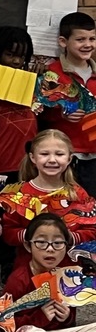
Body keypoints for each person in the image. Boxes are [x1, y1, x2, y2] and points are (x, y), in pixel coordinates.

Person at [10, 214, 96, 332]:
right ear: (28, 246)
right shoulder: (19, 279)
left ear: (66, 246)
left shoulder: (68, 275)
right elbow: (7, 325)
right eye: (41, 242)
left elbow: (69, 325)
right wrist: (40, 317)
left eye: (57, 243)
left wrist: (67, 317)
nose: (50, 249)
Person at [0, 129, 96, 267]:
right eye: (44, 154)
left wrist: (70, 237)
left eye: (59, 154)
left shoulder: (78, 194)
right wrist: (32, 236)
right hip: (30, 266)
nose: (52, 160)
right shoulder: (20, 194)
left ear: (69, 158)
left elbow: (92, 230)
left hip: (69, 268)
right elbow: (8, 232)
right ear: (33, 157)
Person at [39, 12, 96, 196]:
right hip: (65, 158)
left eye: (92, 39)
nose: (88, 44)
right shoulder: (51, 74)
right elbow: (39, 113)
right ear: (63, 42)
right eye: (80, 39)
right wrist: (61, 114)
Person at [0, 26, 38, 182]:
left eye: (22, 56)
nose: (16, 61)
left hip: (31, 160)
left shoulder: (33, 81)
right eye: (10, 55)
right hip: (1, 160)